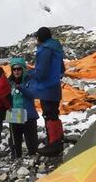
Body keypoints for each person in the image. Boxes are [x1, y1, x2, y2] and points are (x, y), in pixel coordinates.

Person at [22, 27, 65, 156]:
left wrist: (30, 73)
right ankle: (57, 140)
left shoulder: (44, 50)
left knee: (49, 114)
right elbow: (62, 69)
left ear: (40, 38)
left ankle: (54, 144)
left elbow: (41, 73)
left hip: (46, 88)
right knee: (53, 113)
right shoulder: (56, 48)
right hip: (55, 86)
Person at [6, 57, 39, 157]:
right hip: (15, 113)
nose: (16, 71)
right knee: (15, 142)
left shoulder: (30, 80)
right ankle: (16, 160)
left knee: (31, 142)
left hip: (28, 114)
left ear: (23, 69)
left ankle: (33, 159)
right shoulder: (9, 82)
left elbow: (33, 94)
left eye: (18, 69)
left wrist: (20, 87)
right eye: (14, 69)